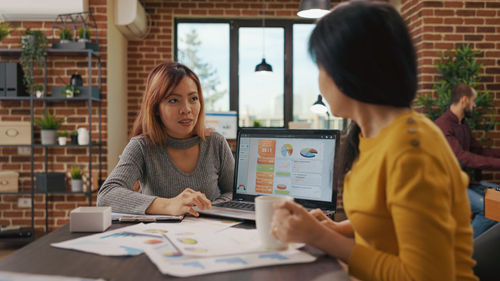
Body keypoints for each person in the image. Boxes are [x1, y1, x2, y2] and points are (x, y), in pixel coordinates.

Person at [270, 1, 478, 281]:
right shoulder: (372, 136)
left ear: (348, 70)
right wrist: (336, 228)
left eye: (320, 66)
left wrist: (320, 236)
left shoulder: (412, 150)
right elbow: (388, 220)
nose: (319, 80)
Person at [97, 62, 234, 216]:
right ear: (156, 108)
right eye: (174, 100)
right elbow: (106, 195)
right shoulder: (141, 147)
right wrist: (169, 205)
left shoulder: (216, 143)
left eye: (193, 98)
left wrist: (205, 209)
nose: (187, 109)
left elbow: (234, 193)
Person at [435, 83, 499, 238]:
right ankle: (467, 252)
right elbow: (463, 158)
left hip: (467, 184)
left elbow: (479, 151)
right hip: (449, 187)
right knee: (490, 209)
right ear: (464, 100)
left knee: (498, 201)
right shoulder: (443, 126)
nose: (475, 105)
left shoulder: (462, 125)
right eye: (473, 101)